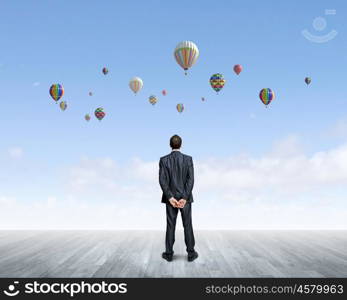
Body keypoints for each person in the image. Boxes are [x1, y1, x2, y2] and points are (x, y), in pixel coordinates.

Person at [159, 134, 198, 262]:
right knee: (188, 225)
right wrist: (185, 198)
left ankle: (169, 254)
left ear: (170, 145)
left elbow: (162, 180)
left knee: (170, 226)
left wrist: (170, 197)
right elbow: (190, 180)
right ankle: (191, 254)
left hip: (171, 200)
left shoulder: (163, 160)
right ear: (181, 145)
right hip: (185, 199)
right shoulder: (188, 159)